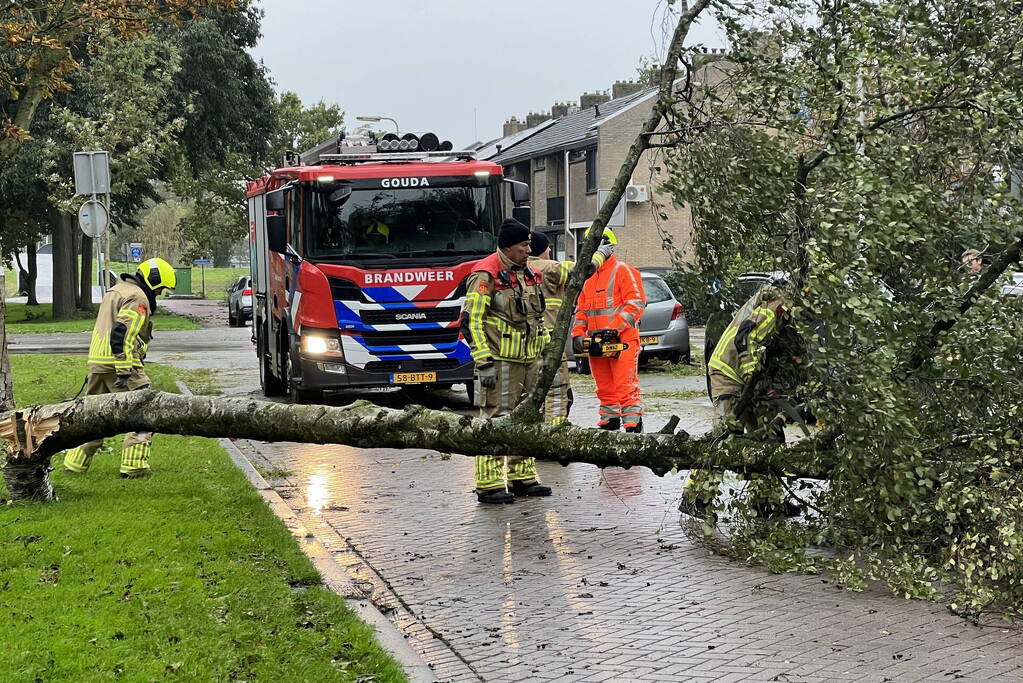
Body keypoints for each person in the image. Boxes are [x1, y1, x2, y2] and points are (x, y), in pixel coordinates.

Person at [680, 281, 800, 517]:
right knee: (725, 437)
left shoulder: (787, 311)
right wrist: (749, 372)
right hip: (728, 373)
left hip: (753, 384)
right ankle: (695, 498)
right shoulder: (778, 304)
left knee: (769, 436)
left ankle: (766, 500)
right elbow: (745, 336)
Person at [461, 219, 550, 504]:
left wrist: (545, 352)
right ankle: (488, 484)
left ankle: (522, 476)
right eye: (524, 246)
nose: (529, 250)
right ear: (507, 247)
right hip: (500, 361)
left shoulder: (529, 273)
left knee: (529, 418)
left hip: (529, 360)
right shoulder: (486, 275)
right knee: (495, 419)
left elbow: (534, 319)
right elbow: (470, 322)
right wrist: (483, 362)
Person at [63, 258, 177, 478]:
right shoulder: (137, 297)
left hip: (98, 364)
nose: (161, 294)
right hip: (121, 365)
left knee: (92, 419)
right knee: (144, 414)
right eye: (162, 288)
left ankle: (74, 465)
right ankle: (134, 467)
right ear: (154, 281)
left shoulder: (116, 290)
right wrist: (125, 371)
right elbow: (121, 333)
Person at [528, 230, 614, 423]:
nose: (550, 250)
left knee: (534, 392)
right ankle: (553, 436)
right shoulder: (548, 267)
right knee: (557, 392)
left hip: (525, 342)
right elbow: (584, 269)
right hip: (549, 340)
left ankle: (535, 432)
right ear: (542, 250)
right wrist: (602, 252)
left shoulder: (518, 269)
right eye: (548, 247)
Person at [571, 228, 647, 432]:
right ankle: (609, 423)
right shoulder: (588, 276)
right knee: (604, 387)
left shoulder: (622, 270)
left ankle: (633, 427)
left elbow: (637, 303)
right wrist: (578, 334)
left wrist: (613, 330)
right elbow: (582, 311)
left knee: (625, 386)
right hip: (597, 342)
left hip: (622, 341)